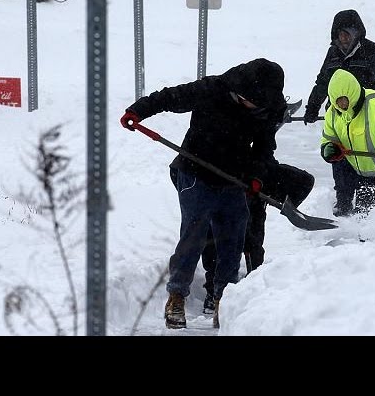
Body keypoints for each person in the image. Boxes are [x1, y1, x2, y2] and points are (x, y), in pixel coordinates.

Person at [120, 58, 286, 330]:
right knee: (194, 235)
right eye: (249, 101)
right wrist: (137, 111)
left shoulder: (268, 108)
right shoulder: (213, 89)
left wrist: (256, 177)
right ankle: (176, 296)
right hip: (195, 172)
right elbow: (170, 97)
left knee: (233, 240)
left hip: (235, 179)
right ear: (240, 91)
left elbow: (264, 149)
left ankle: (224, 299)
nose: (254, 108)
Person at [196, 120, 315, 315]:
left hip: (255, 180)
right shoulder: (213, 130)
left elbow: (266, 155)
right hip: (220, 188)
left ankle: (254, 285)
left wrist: (259, 182)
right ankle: (214, 293)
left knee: (253, 239)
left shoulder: (261, 125)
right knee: (217, 238)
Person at [304, 9, 375, 216]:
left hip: (367, 119)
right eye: (339, 34)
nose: (343, 38)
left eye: (347, 33)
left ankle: (370, 209)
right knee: (339, 156)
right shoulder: (333, 54)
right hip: (339, 118)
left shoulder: (373, 52)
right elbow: (322, 82)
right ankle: (343, 205)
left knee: (367, 164)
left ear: (357, 32)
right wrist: (312, 107)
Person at [319, 68, 375, 216]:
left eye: (344, 99)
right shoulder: (333, 113)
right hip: (363, 176)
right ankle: (344, 205)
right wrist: (328, 148)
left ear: (353, 93)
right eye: (337, 101)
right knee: (366, 224)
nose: (342, 104)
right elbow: (328, 137)